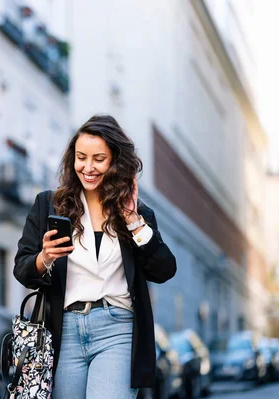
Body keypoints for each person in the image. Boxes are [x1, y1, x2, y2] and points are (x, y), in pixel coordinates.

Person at [13, 114, 177, 399]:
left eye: (98, 159)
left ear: (115, 161)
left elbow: (164, 270)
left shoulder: (137, 213)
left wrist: (134, 222)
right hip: (64, 331)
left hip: (118, 330)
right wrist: (45, 257)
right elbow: (22, 268)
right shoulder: (49, 205)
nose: (87, 167)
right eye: (81, 157)